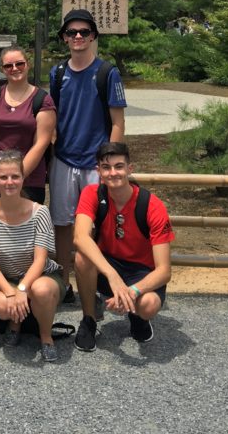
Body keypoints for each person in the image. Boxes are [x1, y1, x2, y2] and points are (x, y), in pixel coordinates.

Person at [48, 8, 127, 302]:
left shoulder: (107, 72)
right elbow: (52, 116)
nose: (78, 36)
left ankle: (94, 282)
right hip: (64, 158)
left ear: (93, 36)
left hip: (96, 162)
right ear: (64, 38)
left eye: (84, 32)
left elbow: (117, 122)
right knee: (62, 223)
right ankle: (64, 282)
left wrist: (109, 163)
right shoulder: (57, 73)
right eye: (72, 32)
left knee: (98, 225)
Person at [73, 141, 174, 351]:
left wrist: (131, 292)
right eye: (106, 167)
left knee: (148, 305)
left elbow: (164, 271)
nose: (113, 173)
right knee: (82, 257)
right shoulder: (92, 194)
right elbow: (80, 238)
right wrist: (113, 277)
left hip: (141, 271)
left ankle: (138, 316)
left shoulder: (152, 205)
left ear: (130, 169)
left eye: (119, 166)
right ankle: (89, 320)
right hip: (109, 264)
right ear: (98, 171)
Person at [0, 150, 62, 361]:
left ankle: (45, 336)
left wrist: (23, 288)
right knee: (4, 306)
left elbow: (40, 260)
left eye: (15, 176)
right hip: (5, 279)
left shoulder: (40, 212)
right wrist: (11, 291)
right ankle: (15, 323)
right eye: (3, 177)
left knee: (40, 290)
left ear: (24, 178)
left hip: (40, 276)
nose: (9, 182)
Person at [0, 44, 56, 204]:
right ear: (2, 69)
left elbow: (41, 144)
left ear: (28, 64)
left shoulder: (42, 100)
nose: (14, 68)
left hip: (29, 180)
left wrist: (15, 177)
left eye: (19, 63)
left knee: (26, 228)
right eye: (8, 65)